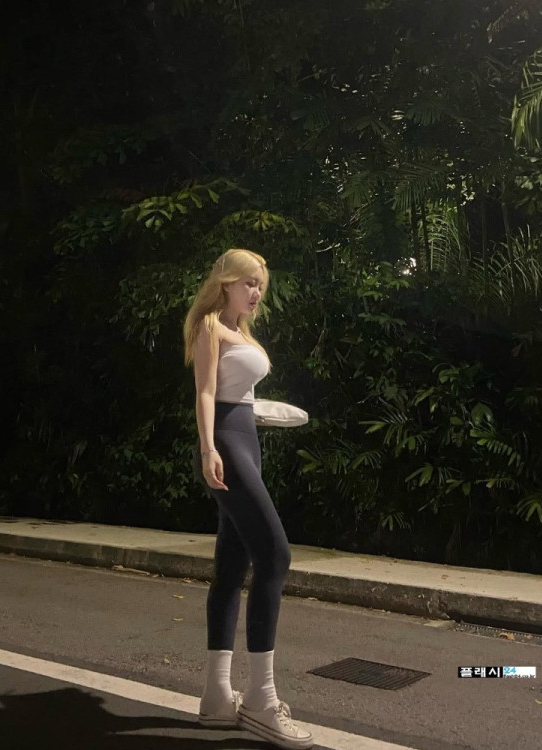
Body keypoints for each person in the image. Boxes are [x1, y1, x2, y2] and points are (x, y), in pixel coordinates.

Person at [183, 248, 314, 750]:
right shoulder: (211, 327)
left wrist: (262, 413)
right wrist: (208, 449)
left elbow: (240, 395)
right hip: (227, 446)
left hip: (246, 440)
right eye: (248, 282)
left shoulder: (243, 331)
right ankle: (261, 700)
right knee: (275, 556)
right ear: (226, 283)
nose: (256, 291)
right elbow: (206, 393)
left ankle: (217, 698)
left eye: (260, 284)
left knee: (232, 566)